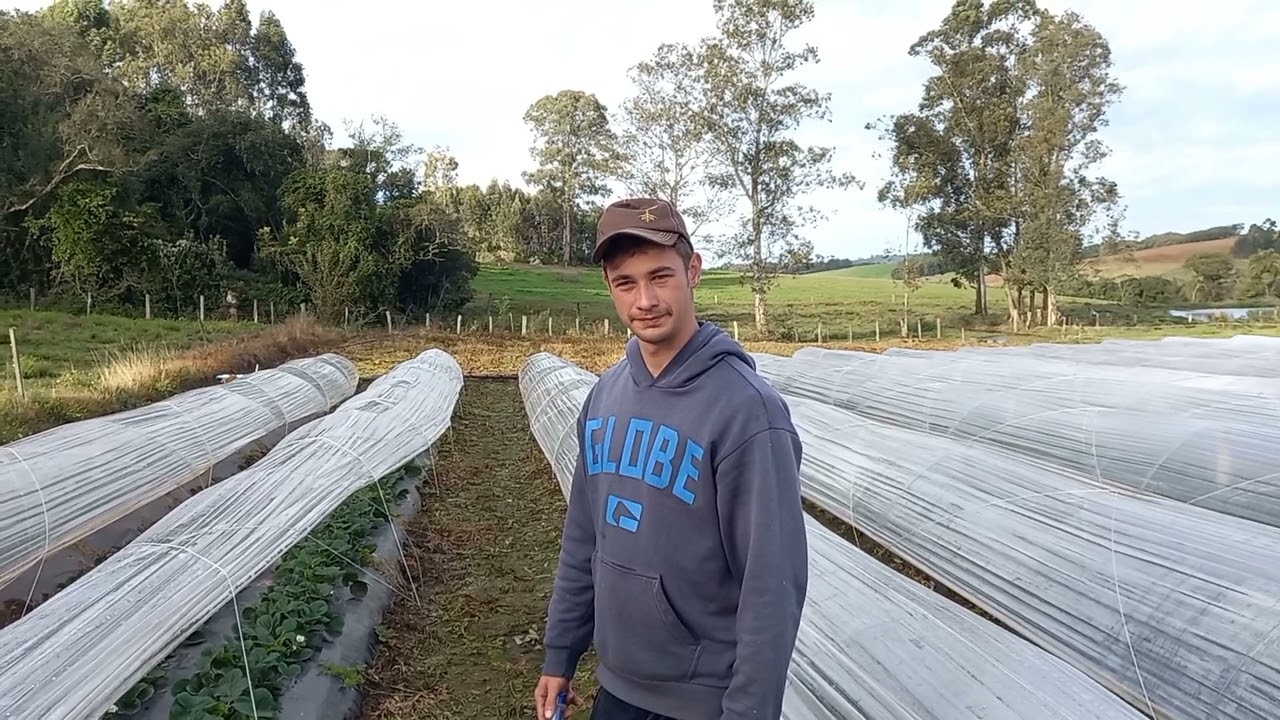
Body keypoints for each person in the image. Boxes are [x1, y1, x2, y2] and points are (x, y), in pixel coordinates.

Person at [534, 198, 809, 720]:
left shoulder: (748, 412)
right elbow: (584, 537)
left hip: (702, 700)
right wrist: (560, 653)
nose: (645, 300)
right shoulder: (604, 395)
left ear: (693, 271)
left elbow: (771, 584)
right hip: (618, 687)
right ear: (609, 287)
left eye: (660, 277)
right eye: (625, 282)